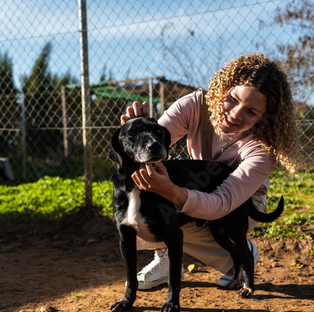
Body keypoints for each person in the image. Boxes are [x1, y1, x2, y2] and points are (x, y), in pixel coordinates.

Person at [120, 52, 299, 290]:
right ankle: (164, 259)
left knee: (170, 205)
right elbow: (155, 151)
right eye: (233, 99)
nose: (236, 114)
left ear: (263, 118)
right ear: (223, 88)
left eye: (251, 112)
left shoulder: (263, 150)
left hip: (242, 202)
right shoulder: (194, 105)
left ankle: (239, 255)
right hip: (198, 184)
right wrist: (141, 134)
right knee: (143, 196)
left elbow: (221, 204)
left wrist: (173, 192)